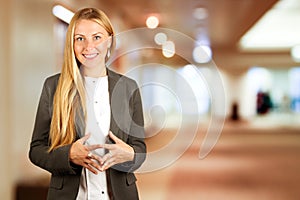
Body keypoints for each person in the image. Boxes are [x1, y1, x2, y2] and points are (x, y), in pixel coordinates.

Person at [29, 7, 146, 200]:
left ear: (109, 40)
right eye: (80, 38)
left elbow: (140, 149)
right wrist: (68, 155)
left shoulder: (128, 88)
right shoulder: (54, 86)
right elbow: (36, 150)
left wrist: (130, 154)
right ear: (72, 44)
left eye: (97, 37)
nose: (88, 47)